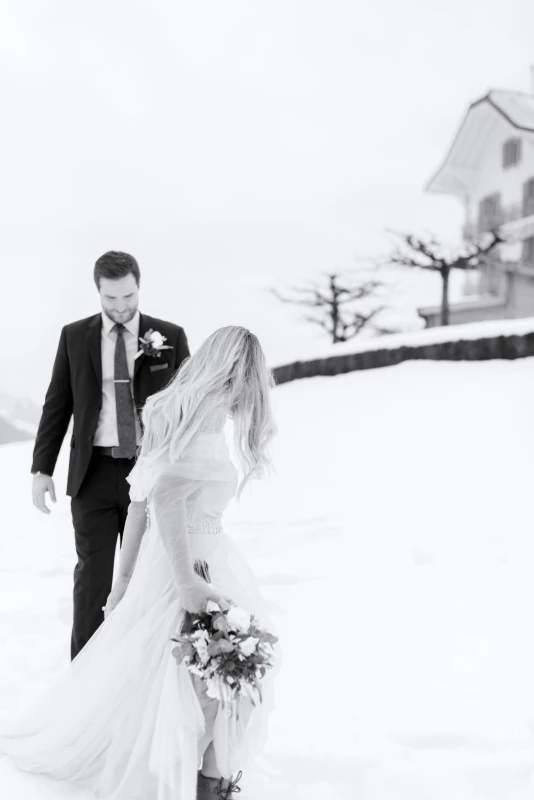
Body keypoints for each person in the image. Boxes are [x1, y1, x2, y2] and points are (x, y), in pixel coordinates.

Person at [1, 326, 278, 800]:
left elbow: (139, 506)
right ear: (239, 372)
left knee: (197, 676)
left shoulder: (172, 409)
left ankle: (206, 780)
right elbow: (166, 498)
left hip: (170, 562)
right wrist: (187, 580)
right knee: (217, 679)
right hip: (191, 563)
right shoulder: (205, 416)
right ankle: (206, 785)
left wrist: (123, 581)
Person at [30, 251, 190, 659]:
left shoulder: (169, 335)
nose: (121, 307)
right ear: (97, 291)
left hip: (151, 472)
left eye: (128, 296)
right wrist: (41, 468)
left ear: (139, 286)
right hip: (94, 473)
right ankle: (84, 677)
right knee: (92, 580)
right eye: (111, 299)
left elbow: (189, 407)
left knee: (150, 578)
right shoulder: (74, 336)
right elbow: (57, 403)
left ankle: (145, 674)